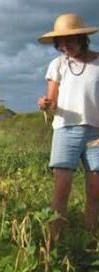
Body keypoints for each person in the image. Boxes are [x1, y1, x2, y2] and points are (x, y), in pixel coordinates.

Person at [37, 13, 99, 239]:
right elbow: (51, 101)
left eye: (69, 41)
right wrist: (45, 104)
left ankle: (91, 241)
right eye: (60, 43)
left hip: (96, 132)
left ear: (82, 38)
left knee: (95, 190)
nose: (64, 46)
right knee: (61, 189)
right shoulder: (57, 65)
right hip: (66, 130)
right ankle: (55, 243)